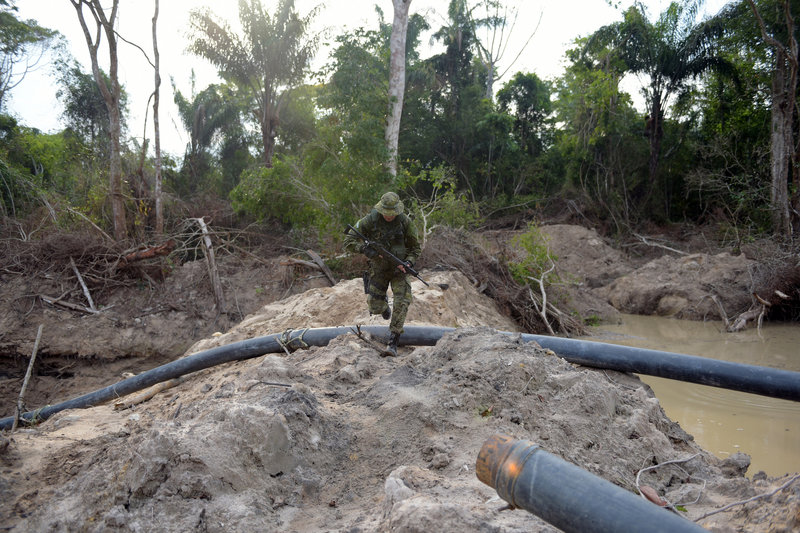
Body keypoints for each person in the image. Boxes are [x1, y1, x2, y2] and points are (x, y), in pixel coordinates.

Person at [344, 192, 421, 356]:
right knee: (375, 306)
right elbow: (348, 241)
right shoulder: (370, 220)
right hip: (379, 270)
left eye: (391, 213)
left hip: (399, 270)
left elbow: (415, 249)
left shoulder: (405, 223)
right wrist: (365, 250)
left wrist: (408, 263)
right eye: (386, 212)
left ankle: (393, 341)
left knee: (402, 301)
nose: (388, 216)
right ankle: (384, 306)